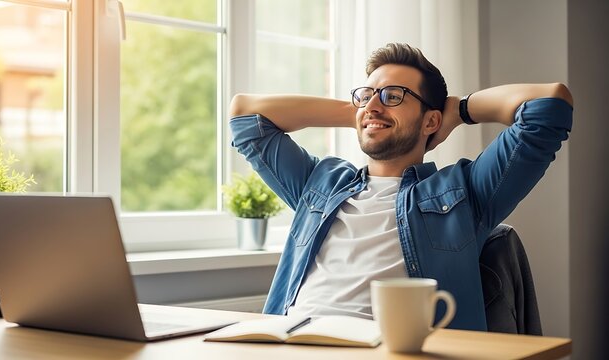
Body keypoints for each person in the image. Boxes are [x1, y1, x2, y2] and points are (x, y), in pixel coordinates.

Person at [228, 43, 573, 331]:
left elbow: (550, 105)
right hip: (292, 342)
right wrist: (363, 113)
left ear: (430, 120)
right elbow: (245, 117)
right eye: (366, 94)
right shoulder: (321, 182)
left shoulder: (464, 192)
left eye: (394, 95)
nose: (374, 103)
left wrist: (460, 110)